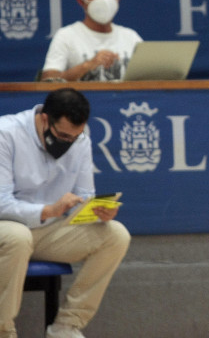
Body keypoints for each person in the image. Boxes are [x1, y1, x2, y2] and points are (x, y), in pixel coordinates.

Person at [0, 88, 131, 338]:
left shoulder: (80, 140)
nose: (68, 142)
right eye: (63, 135)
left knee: (115, 235)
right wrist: (48, 210)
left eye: (75, 136)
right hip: (6, 227)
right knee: (18, 237)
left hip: (47, 230)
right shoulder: (5, 134)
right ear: (44, 119)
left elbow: (85, 195)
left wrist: (97, 212)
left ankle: (66, 326)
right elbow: (0, 202)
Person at [40, 0, 142, 82]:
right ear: (81, 1)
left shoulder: (131, 37)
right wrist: (88, 66)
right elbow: (47, 80)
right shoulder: (67, 36)